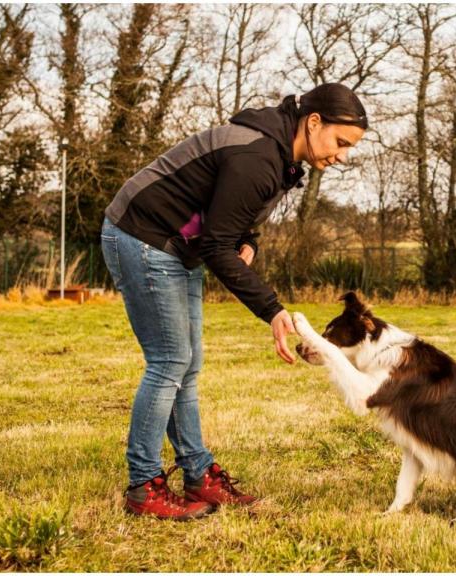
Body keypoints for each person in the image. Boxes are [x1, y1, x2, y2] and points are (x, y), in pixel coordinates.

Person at [100, 83, 368, 520]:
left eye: (348, 148)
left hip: (175, 244)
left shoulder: (278, 157)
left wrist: (248, 242)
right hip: (142, 235)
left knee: (187, 363)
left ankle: (197, 474)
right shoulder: (259, 155)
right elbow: (217, 246)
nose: (341, 156)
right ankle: (142, 485)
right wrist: (272, 310)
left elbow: (228, 217)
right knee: (169, 360)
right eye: (340, 143)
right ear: (313, 122)